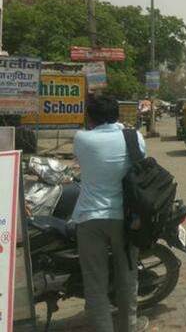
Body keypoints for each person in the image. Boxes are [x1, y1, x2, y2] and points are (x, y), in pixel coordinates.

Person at [72, 95, 148, 332]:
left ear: (91, 117)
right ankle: (129, 327)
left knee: (95, 284)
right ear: (117, 114)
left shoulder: (82, 138)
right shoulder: (134, 136)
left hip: (89, 219)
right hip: (125, 219)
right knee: (127, 278)